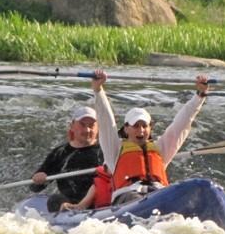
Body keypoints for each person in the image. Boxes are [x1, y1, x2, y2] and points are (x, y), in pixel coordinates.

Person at [90, 70, 210, 204]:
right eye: (135, 126)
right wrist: (98, 89)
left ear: (150, 128)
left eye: (144, 126)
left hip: (158, 193)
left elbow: (181, 124)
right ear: (126, 129)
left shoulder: (160, 148)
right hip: (128, 197)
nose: (141, 130)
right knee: (144, 201)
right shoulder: (115, 149)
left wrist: (200, 95)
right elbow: (106, 120)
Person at [29, 106, 103, 212]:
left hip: (99, 204)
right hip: (68, 205)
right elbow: (34, 187)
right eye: (82, 125)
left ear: (98, 128)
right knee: (55, 200)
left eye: (91, 125)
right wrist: (38, 180)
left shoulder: (106, 151)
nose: (87, 130)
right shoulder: (59, 153)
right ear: (72, 126)